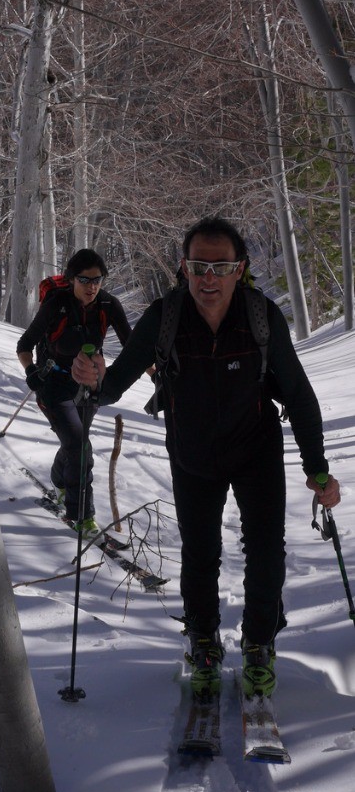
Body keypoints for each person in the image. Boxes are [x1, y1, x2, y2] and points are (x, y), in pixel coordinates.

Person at [71, 216, 340, 698]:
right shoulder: (165, 315)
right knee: (200, 553)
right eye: (198, 266)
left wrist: (316, 467)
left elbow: (298, 396)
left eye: (221, 266)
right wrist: (92, 377)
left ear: (241, 269)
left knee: (265, 553)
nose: (208, 277)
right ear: (184, 267)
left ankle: (259, 643)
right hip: (192, 452)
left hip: (256, 450)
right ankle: (203, 639)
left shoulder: (261, 316)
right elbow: (113, 385)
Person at [17, 249, 132, 538]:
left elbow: (134, 349)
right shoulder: (56, 303)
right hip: (53, 385)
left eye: (98, 280)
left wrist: (158, 378)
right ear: (72, 279)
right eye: (85, 280)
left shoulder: (108, 304)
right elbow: (25, 344)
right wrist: (31, 371)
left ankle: (60, 481)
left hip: (88, 386)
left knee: (75, 443)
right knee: (80, 446)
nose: (92, 286)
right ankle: (81, 516)